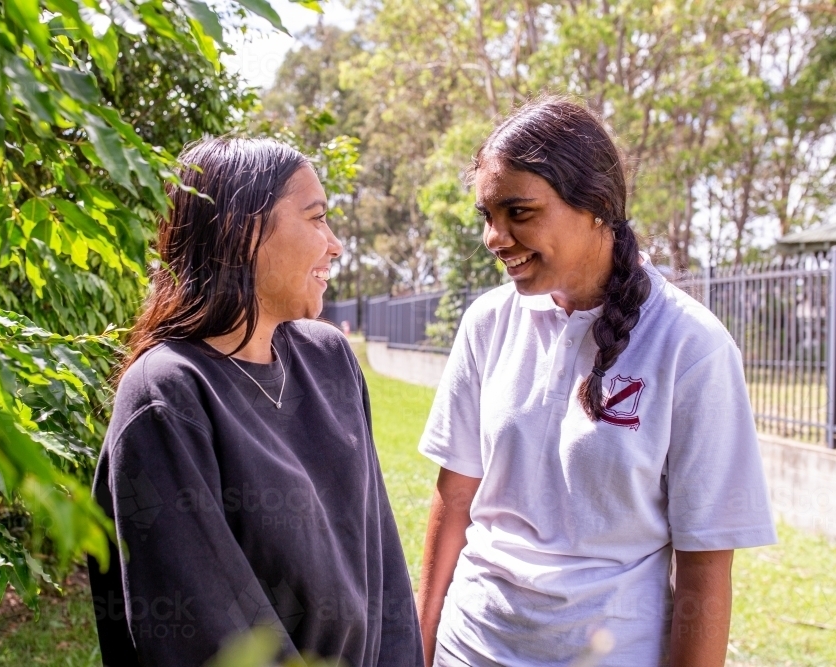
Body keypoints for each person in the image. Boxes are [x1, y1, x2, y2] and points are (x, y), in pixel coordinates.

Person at [415, 98, 776, 667]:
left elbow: (704, 569)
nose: (494, 236)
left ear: (598, 205)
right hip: (472, 646)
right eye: (487, 214)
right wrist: (423, 643)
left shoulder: (691, 348)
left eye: (519, 212)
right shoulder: (487, 324)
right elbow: (455, 496)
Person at [87, 137, 423, 667]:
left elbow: (383, 569)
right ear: (243, 232)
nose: (334, 244)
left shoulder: (330, 358)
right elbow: (207, 633)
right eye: (316, 219)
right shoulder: (168, 395)